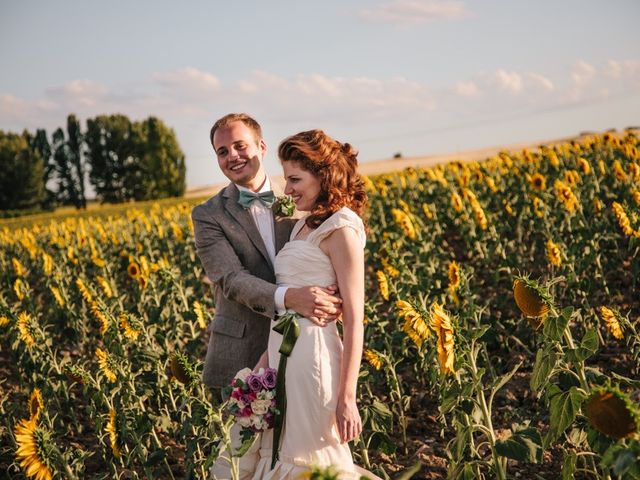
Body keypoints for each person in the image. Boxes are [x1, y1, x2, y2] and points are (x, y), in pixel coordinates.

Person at [191, 114, 343, 479]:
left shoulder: (299, 194)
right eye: (222, 151)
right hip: (244, 350)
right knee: (244, 460)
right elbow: (230, 279)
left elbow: (329, 252)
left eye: (240, 145)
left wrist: (332, 291)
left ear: (261, 146)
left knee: (305, 451)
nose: (233, 156)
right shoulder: (208, 214)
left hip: (305, 348)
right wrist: (291, 298)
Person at [249, 129, 379, 479]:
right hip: (282, 354)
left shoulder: (341, 229)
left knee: (313, 458)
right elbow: (287, 300)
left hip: (314, 357)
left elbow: (355, 320)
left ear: (323, 176)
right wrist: (265, 362)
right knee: (283, 450)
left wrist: (347, 397)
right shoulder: (302, 224)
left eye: (295, 179)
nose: (287, 189)